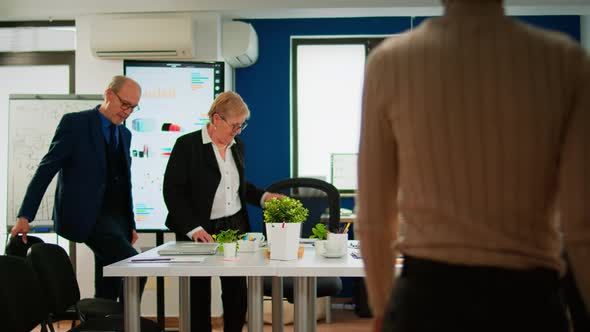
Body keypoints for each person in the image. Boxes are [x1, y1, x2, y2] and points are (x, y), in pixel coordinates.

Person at [356, 0, 589, 331]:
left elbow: (374, 217)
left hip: (425, 303)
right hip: (529, 304)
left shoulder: (389, 62)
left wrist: (381, 306)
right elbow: (582, 223)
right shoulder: (565, 61)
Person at [10, 75, 146, 302]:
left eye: (133, 108)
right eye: (125, 104)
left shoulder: (125, 134)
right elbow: (46, 169)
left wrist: (129, 224)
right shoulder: (75, 124)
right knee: (137, 268)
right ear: (109, 95)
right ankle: (126, 323)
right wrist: (25, 215)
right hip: (87, 218)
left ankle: (102, 325)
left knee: (108, 286)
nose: (127, 112)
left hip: (117, 222)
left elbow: (123, 183)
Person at [163, 91, 282, 332]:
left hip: (235, 226)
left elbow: (239, 185)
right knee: (198, 294)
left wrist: (263, 196)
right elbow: (173, 192)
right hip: (200, 229)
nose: (238, 131)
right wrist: (192, 228)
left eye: (242, 126)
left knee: (237, 292)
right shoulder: (188, 145)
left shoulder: (238, 146)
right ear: (217, 119)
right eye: (235, 125)